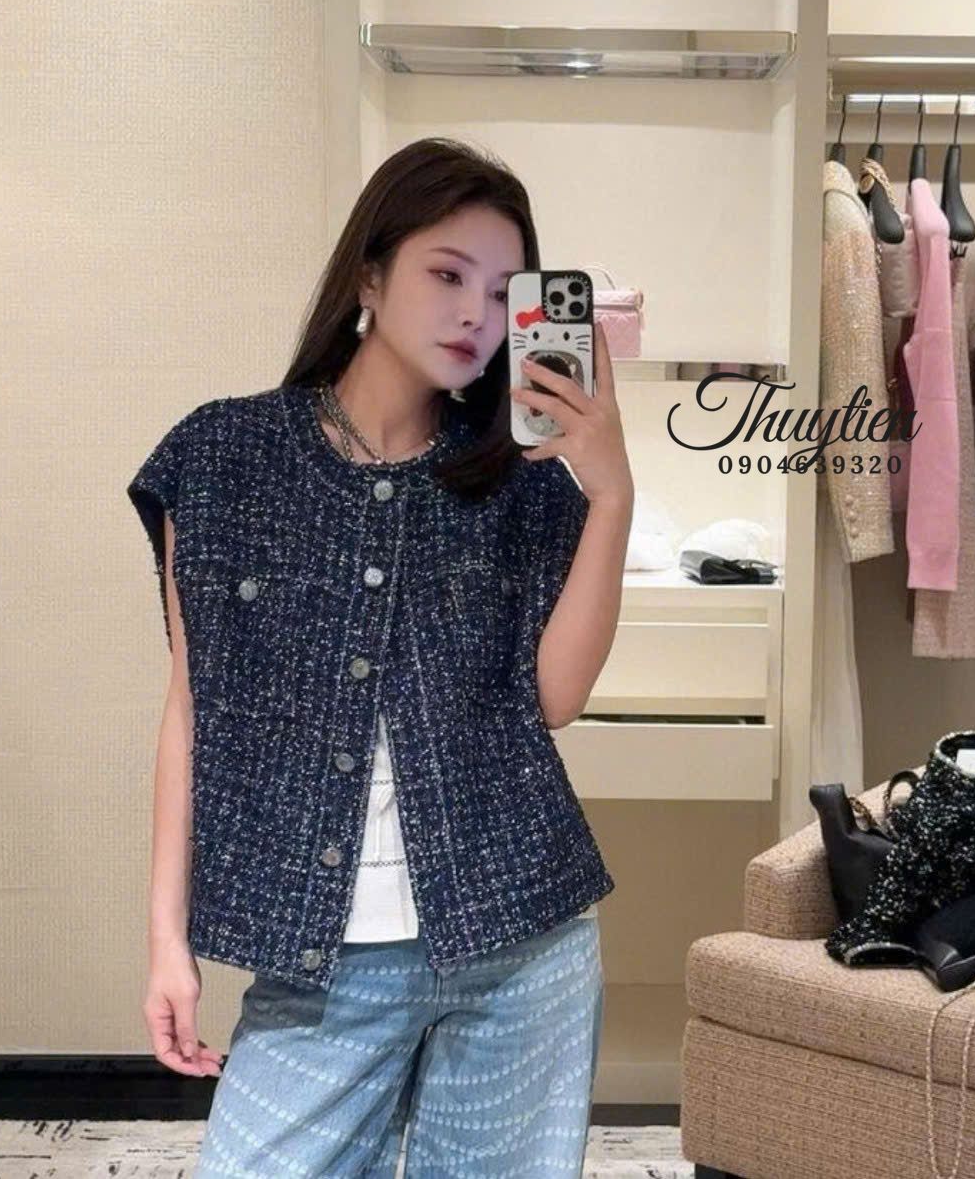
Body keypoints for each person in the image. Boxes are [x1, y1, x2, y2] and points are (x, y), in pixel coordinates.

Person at [129, 136, 634, 1177]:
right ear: (368, 275)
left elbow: (557, 698)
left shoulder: (522, 483)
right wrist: (166, 942)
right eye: (447, 275)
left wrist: (613, 494)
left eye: (501, 293)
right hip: (321, 965)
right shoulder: (221, 459)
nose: (474, 315)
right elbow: (191, 710)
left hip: (521, 946)